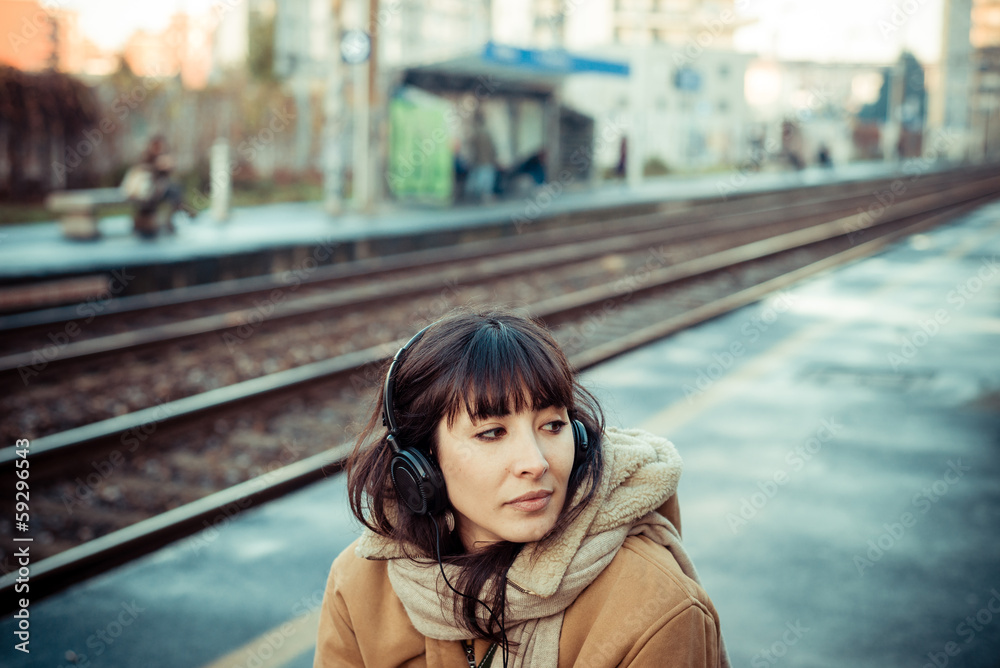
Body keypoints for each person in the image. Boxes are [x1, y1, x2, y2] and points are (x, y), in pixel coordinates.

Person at [315, 308, 729, 668]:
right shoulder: (359, 584)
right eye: (492, 433)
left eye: (552, 425)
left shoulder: (653, 607)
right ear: (421, 466)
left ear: (580, 438)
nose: (536, 463)